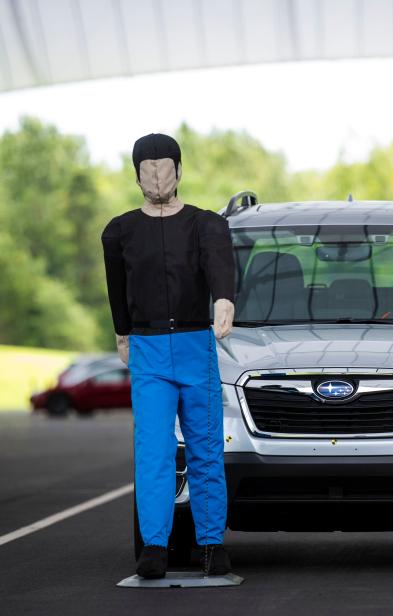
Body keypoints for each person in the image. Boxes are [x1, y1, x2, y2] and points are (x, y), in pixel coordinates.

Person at [101, 133, 235, 579]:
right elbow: (116, 289)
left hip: (197, 345)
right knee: (154, 451)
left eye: (164, 167)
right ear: (136, 174)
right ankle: (155, 546)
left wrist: (225, 300)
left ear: (180, 171)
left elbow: (219, 266)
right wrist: (122, 333)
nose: (157, 177)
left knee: (205, 447)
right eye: (147, 169)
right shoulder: (120, 231)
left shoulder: (207, 224)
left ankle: (212, 543)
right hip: (148, 349)